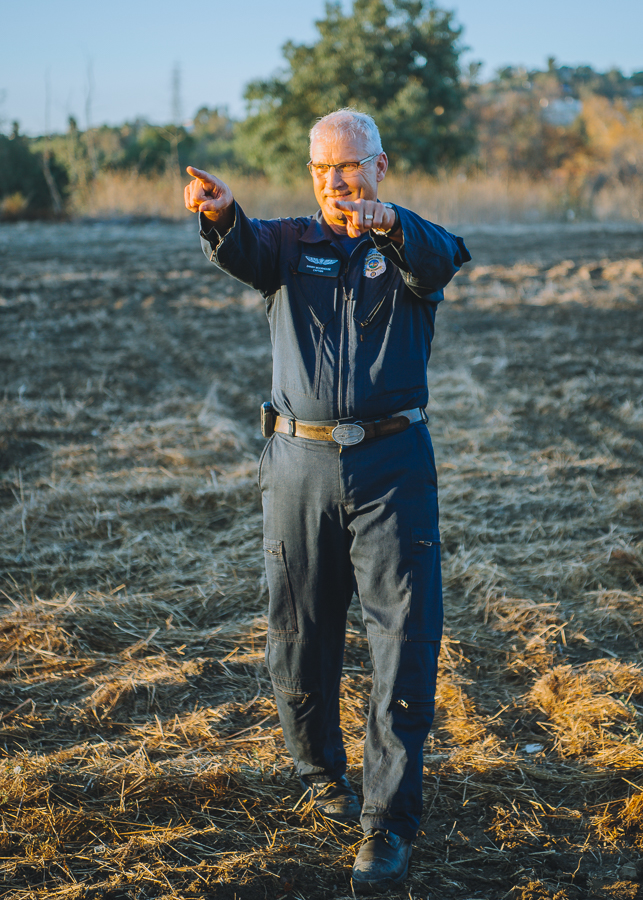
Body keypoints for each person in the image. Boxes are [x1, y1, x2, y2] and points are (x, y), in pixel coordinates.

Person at [184, 109, 470, 893]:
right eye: (321, 170)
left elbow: (442, 259)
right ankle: (320, 776)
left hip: (392, 466)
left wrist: (390, 225)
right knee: (298, 634)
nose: (335, 182)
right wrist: (220, 214)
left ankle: (387, 824)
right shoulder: (286, 245)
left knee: (403, 641)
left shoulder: (410, 248)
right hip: (297, 464)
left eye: (348, 167)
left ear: (380, 166)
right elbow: (241, 249)